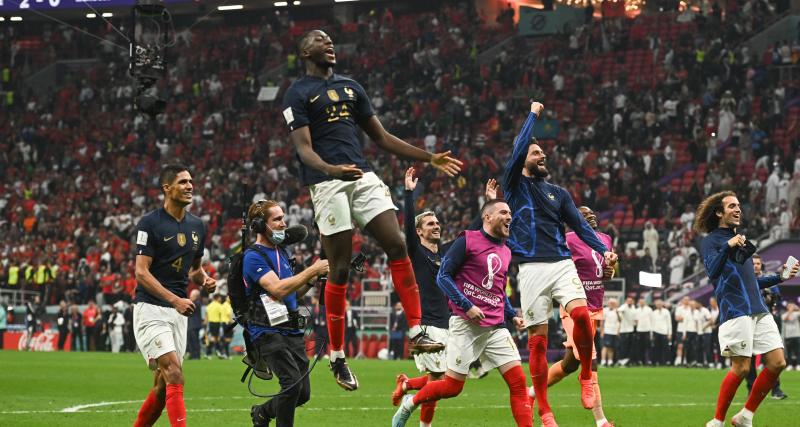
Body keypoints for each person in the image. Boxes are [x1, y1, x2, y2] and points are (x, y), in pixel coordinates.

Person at [283, 29, 462, 390]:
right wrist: (332, 170)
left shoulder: (352, 87)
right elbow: (303, 150)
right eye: (320, 39)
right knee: (340, 267)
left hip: (362, 176)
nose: (329, 43)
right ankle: (337, 356)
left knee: (396, 244)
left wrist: (429, 157)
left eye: (331, 39)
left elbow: (381, 137)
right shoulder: (297, 93)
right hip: (327, 181)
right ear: (305, 51)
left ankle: (417, 331)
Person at [502, 101, 616, 426]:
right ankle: (545, 410)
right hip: (532, 269)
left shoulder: (559, 193)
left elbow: (581, 227)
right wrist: (533, 115)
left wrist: (602, 250)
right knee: (538, 341)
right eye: (537, 153)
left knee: (582, 315)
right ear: (523, 157)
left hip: (561, 262)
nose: (543, 157)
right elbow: (518, 150)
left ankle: (584, 378)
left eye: (543, 154)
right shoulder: (514, 185)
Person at [392, 199, 531, 427]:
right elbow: (443, 277)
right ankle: (410, 402)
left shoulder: (506, 251)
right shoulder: (465, 241)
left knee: (518, 382)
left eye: (510, 213)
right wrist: (466, 305)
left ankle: (410, 393)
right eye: (503, 212)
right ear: (487, 217)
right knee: (450, 386)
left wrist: (511, 314)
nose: (509, 217)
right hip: (460, 324)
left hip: (494, 327)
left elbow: (498, 290)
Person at [391, 168, 494, 426]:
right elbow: (406, 224)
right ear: (419, 232)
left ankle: (407, 385)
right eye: (429, 224)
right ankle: (420, 420)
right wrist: (408, 193)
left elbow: (470, 233)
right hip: (424, 325)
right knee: (439, 379)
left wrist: (487, 204)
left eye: (437, 223)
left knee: (446, 378)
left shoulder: (446, 253)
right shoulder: (414, 251)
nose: (436, 226)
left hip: (447, 323)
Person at [697, 191, 799, 427]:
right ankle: (717, 421)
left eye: (739, 205)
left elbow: (751, 281)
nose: (738, 209)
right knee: (741, 368)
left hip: (759, 309)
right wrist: (727, 246)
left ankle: (745, 416)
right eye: (732, 206)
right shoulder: (711, 241)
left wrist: (780, 277)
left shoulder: (741, 239)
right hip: (735, 310)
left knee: (777, 362)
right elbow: (712, 272)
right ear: (719, 212)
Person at [132, 164, 216, 427]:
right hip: (151, 308)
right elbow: (141, 273)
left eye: (191, 181)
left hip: (179, 313)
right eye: (182, 182)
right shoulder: (149, 222)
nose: (190, 186)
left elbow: (195, 270)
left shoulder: (197, 226)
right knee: (175, 373)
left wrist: (205, 280)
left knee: (161, 387)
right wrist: (174, 300)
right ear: (166, 188)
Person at [243, 199, 329, 427]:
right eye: (277, 219)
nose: (284, 223)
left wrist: (310, 281)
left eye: (283, 218)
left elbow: (290, 295)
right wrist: (311, 269)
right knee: (291, 383)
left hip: (290, 329)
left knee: (302, 393)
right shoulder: (253, 256)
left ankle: (262, 412)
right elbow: (277, 289)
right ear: (261, 225)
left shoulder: (282, 252)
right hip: (266, 329)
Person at [529, 205, 615, 427]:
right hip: (574, 305)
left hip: (595, 306)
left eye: (592, 213)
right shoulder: (567, 239)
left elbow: (607, 270)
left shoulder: (605, 239)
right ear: (574, 220)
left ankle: (530, 393)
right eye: (584, 215)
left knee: (570, 364)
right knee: (591, 361)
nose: (591, 215)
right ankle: (601, 421)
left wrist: (611, 271)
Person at [745, 254, 787, 399]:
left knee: (771, 356)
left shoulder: (770, 281)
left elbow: (778, 301)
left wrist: (771, 298)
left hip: (766, 320)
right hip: (748, 320)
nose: (756, 265)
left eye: (758, 263)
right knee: (748, 358)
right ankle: (751, 389)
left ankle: (776, 389)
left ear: (761, 265)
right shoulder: (745, 280)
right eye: (753, 263)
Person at [651, 299, 672, 366]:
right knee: (656, 348)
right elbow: (652, 323)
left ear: (662, 304)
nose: (658, 305)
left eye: (659, 304)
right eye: (657, 304)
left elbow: (669, 323)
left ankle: (665, 361)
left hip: (664, 332)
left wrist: (670, 333)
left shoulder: (666, 312)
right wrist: (651, 334)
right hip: (656, 331)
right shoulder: (654, 312)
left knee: (665, 348)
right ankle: (657, 361)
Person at [617, 297, 637, 366]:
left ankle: (627, 360)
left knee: (630, 346)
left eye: (631, 301)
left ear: (633, 301)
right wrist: (620, 315)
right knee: (623, 346)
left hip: (631, 329)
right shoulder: (624, 306)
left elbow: (635, 318)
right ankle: (621, 360)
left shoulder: (634, 307)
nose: (629, 302)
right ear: (626, 301)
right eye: (628, 301)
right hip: (624, 330)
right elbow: (619, 310)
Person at [601, 299, 620, 367]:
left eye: (613, 303)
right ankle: (603, 361)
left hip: (614, 332)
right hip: (607, 331)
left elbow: (620, 320)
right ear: (608, 303)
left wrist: (617, 312)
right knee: (605, 347)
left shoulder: (617, 311)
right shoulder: (605, 310)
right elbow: (602, 322)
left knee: (611, 348)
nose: (612, 304)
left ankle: (610, 361)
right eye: (611, 303)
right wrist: (602, 331)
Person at [205, 293, 224, 359]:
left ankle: (217, 352)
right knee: (215, 338)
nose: (221, 299)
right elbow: (221, 315)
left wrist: (206, 323)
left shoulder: (209, 305)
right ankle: (209, 353)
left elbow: (206, 315)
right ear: (217, 298)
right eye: (220, 298)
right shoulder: (219, 306)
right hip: (217, 323)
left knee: (215, 338)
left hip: (210, 323)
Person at [635, 298, 653, 365]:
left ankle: (648, 360)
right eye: (640, 302)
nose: (641, 303)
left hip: (647, 330)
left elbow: (652, 320)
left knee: (647, 346)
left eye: (643, 302)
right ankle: (640, 360)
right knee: (639, 347)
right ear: (639, 303)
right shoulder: (637, 310)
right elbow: (636, 320)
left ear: (645, 302)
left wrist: (651, 330)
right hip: (639, 330)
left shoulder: (649, 309)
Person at [186, 289, 203, 360]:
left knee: (195, 340)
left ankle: (196, 355)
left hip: (194, 325)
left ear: (196, 296)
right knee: (190, 340)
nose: (190, 296)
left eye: (192, 295)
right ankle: (192, 355)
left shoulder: (196, 303)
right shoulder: (195, 303)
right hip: (191, 325)